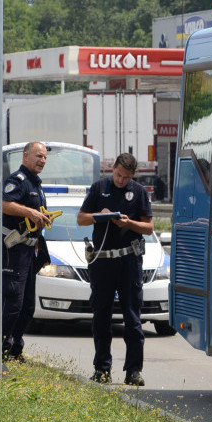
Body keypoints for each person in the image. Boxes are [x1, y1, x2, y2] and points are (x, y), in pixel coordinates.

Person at [78, 152, 154, 386]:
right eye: (119, 175)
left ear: (133, 176)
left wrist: (129, 223)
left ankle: (133, 370)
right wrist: (98, 217)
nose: (121, 180)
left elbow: (149, 227)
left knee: (132, 317)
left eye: (126, 177)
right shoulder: (99, 187)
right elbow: (81, 218)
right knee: (101, 315)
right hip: (103, 260)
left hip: (129, 260)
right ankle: (102, 368)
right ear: (113, 168)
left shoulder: (139, 192)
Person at [0, 141, 52, 362]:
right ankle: (0, 348)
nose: (42, 161)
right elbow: (4, 204)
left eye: (45, 158)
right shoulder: (17, 181)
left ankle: (15, 349)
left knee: (28, 306)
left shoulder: (36, 184)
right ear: (26, 156)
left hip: (30, 252)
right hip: (15, 250)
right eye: (38, 156)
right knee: (13, 302)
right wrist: (29, 212)